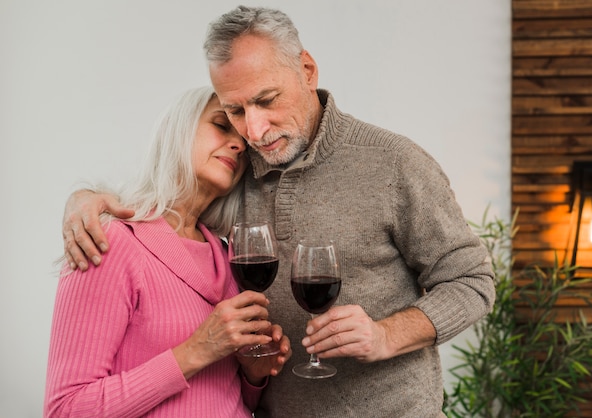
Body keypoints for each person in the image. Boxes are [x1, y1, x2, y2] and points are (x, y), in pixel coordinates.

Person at [61, 6, 496, 418]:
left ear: (306, 70)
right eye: (234, 111)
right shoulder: (238, 169)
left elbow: (472, 281)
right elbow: (169, 222)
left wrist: (386, 335)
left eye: (267, 100)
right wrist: (87, 199)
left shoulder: (395, 163)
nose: (254, 130)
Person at [45, 85, 291, 418]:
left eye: (244, 143)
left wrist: (252, 373)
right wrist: (195, 351)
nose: (238, 145)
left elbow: (219, 400)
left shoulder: (230, 258)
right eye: (221, 125)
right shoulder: (111, 240)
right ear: (180, 129)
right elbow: (65, 410)